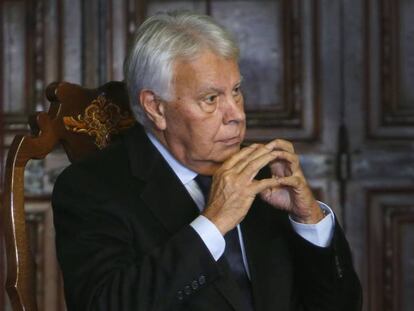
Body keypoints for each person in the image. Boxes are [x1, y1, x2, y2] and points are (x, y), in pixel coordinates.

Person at [52, 11, 362, 311]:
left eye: (236, 91)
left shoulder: (265, 170)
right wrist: (214, 222)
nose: (237, 115)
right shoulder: (90, 187)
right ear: (156, 107)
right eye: (211, 99)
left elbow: (341, 306)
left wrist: (309, 220)